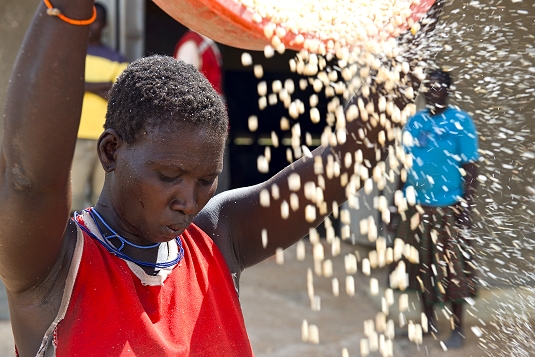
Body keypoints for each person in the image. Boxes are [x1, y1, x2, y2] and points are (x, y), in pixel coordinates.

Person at [0, 0, 443, 355]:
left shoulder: (216, 237)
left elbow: (345, 163)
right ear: (112, 151)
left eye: (206, 180)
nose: (188, 201)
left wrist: (409, 33)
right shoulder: (53, 267)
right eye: (169, 175)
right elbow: (27, 179)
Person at [389, 69, 479, 348]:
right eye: (430, 86)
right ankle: (427, 323)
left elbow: (471, 168)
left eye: (439, 86)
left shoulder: (460, 122)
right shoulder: (415, 123)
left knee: (454, 271)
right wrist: (396, 202)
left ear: (448, 89)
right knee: (420, 269)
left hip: (448, 207)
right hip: (416, 207)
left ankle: (457, 329)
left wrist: (465, 207)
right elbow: (403, 167)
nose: (434, 90)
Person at [71, 2, 129, 212]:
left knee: (101, 200)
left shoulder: (116, 58)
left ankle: (96, 244)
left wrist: (82, 84)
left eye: (96, 20)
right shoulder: (71, 53)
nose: (91, 25)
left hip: (107, 139)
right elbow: (66, 86)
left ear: (105, 24)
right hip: (74, 137)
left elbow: (119, 95)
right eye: (89, 19)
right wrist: (102, 84)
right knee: (72, 197)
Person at [173, 30, 231, 194]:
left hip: (213, 128)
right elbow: (182, 90)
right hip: (201, 130)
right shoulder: (192, 44)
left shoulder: (208, 43)